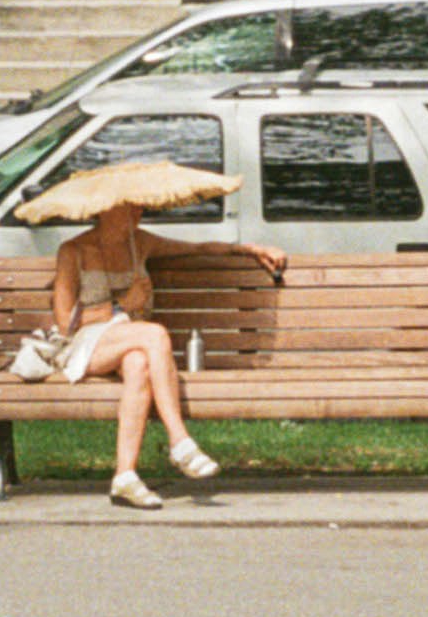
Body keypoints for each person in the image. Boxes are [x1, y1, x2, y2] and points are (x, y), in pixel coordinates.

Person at [50, 201, 287, 509]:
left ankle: (124, 476)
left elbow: (196, 249)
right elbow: (64, 322)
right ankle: (179, 440)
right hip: (87, 346)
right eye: (129, 208)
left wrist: (250, 250)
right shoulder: (74, 251)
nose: (138, 214)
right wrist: (122, 305)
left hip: (131, 342)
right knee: (155, 334)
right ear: (104, 209)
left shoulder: (140, 243)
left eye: (139, 208)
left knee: (138, 364)